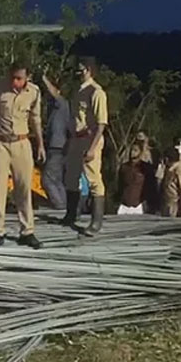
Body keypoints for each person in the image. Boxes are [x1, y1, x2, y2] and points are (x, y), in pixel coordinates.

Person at [0, 62, 45, 249]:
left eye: (19, 78)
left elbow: (36, 118)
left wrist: (40, 144)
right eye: (12, 77)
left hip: (22, 142)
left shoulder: (34, 92)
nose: (15, 81)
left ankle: (27, 231)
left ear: (27, 78)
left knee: (24, 188)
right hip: (0, 143)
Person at [61, 57, 108, 236]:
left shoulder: (96, 92)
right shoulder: (78, 91)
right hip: (76, 138)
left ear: (89, 70)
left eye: (80, 70)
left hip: (90, 139)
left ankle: (96, 221)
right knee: (71, 177)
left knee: (93, 179)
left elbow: (101, 123)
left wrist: (92, 148)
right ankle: (71, 214)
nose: (77, 73)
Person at [39, 71, 70, 210]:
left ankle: (59, 204)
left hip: (58, 147)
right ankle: (64, 205)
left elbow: (54, 93)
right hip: (54, 147)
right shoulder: (53, 110)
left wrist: (44, 78)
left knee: (47, 179)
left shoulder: (63, 104)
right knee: (56, 180)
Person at [118, 141, 155, 215]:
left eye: (135, 150)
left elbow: (151, 186)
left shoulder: (146, 168)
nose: (132, 152)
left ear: (140, 152)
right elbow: (120, 185)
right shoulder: (124, 167)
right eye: (131, 150)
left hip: (139, 205)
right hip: (124, 204)